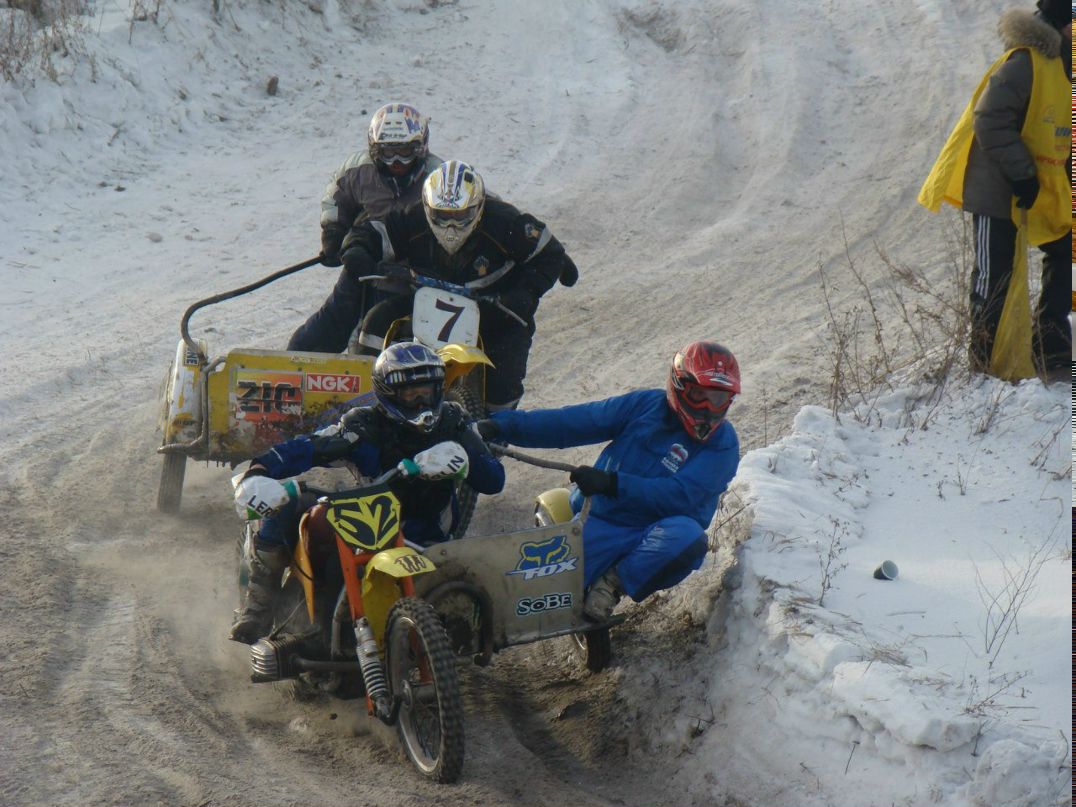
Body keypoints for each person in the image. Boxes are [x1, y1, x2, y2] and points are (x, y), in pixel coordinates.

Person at [228, 341, 505, 644]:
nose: (422, 402)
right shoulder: (363, 426)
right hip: (372, 533)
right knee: (288, 500)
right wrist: (259, 470)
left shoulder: (455, 421)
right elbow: (307, 447)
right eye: (411, 395)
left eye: (428, 391)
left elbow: (494, 480)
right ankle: (259, 605)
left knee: (470, 614)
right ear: (388, 395)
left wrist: (466, 462)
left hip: (431, 542)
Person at [475, 341, 741, 621]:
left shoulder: (724, 445)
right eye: (700, 394)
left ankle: (611, 584)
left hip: (657, 533)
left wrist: (613, 483)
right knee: (515, 602)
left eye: (719, 399)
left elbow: (680, 496)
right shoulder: (645, 406)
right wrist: (500, 426)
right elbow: (575, 421)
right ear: (679, 384)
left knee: (688, 538)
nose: (709, 408)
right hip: (601, 519)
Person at [341, 159, 580, 411]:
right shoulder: (414, 217)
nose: (451, 226)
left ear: (478, 207)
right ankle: (363, 404)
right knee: (377, 320)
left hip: (495, 307)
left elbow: (550, 253)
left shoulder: (506, 222)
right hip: (425, 299)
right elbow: (376, 230)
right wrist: (358, 248)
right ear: (427, 207)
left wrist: (525, 293)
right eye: (442, 216)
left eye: (459, 215)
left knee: (506, 367)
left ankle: (496, 428)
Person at [918, 0, 1071, 383]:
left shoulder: (1062, 62)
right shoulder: (1023, 62)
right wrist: (1022, 175)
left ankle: (1050, 352)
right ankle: (985, 369)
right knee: (993, 276)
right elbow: (989, 120)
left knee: (1063, 254)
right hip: (999, 187)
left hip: (1044, 184)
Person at [288, 103, 443, 352]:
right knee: (318, 333)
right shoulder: (357, 171)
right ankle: (295, 369)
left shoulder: (439, 177)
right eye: (386, 152)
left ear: (420, 148)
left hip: (419, 278)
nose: (396, 162)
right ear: (373, 149)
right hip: (363, 266)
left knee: (400, 340)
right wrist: (333, 236)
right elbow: (335, 198)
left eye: (404, 150)